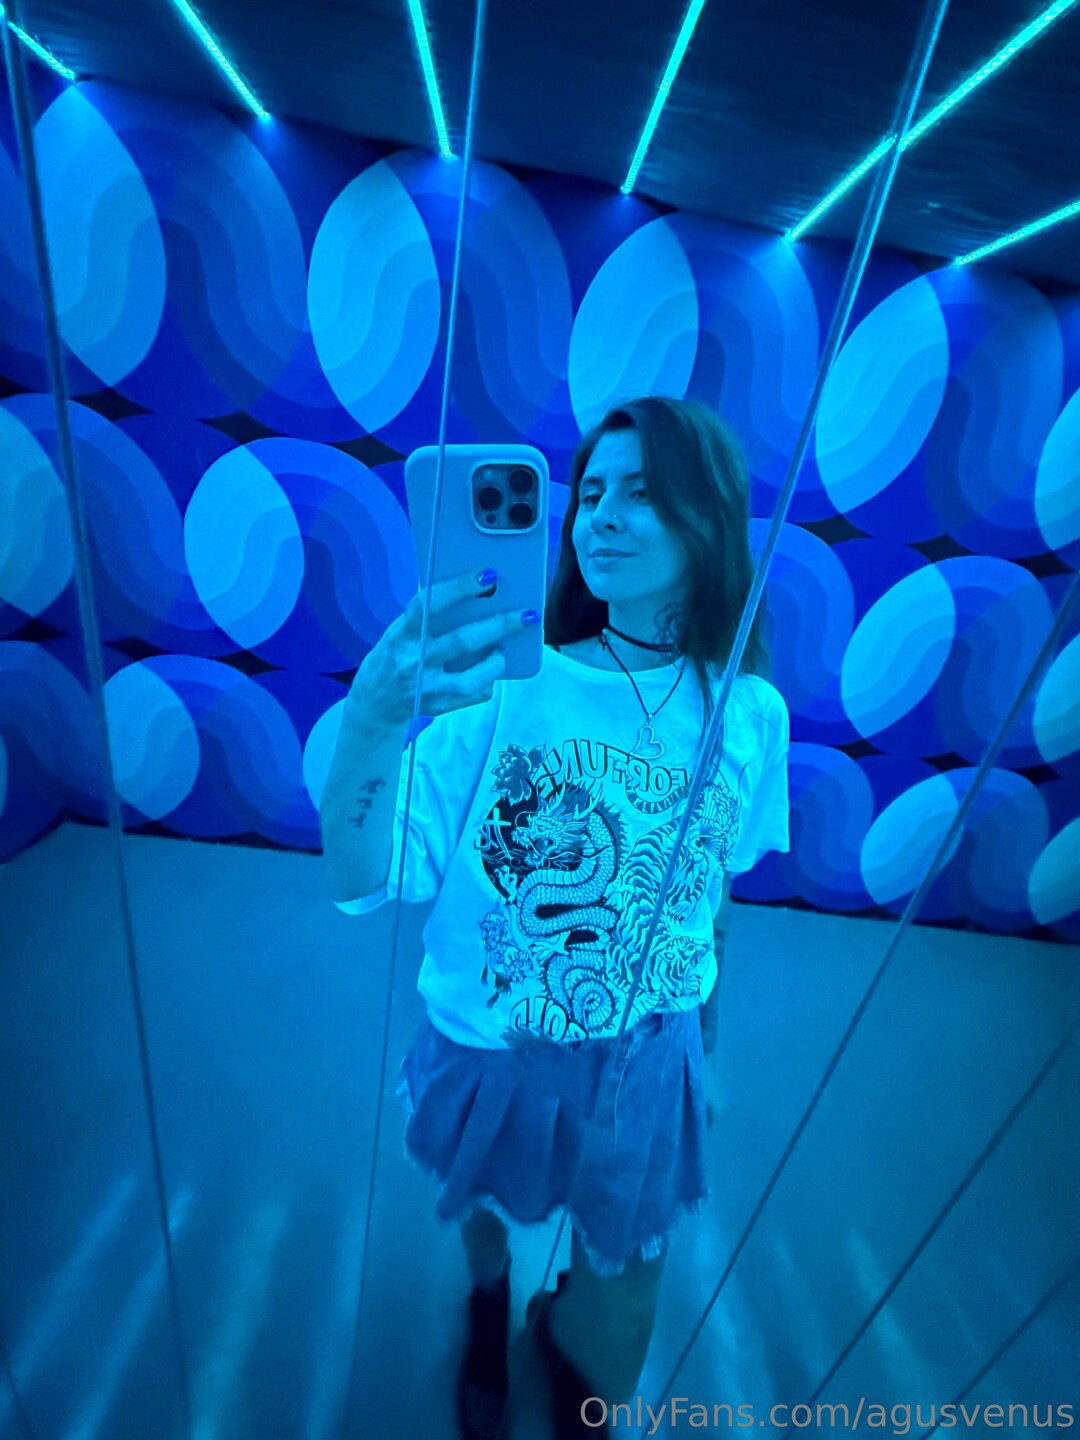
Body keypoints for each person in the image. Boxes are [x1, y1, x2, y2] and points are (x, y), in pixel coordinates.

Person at [320, 396, 790, 1439]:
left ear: (710, 517)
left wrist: (701, 1031)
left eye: (643, 492)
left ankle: (569, 1353)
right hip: (497, 1039)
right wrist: (371, 723)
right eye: (591, 492)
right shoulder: (503, 693)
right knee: (487, 1206)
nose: (601, 517)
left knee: (625, 1278)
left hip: (652, 1052)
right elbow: (361, 876)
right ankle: (488, 1308)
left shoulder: (749, 713)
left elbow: (712, 886)